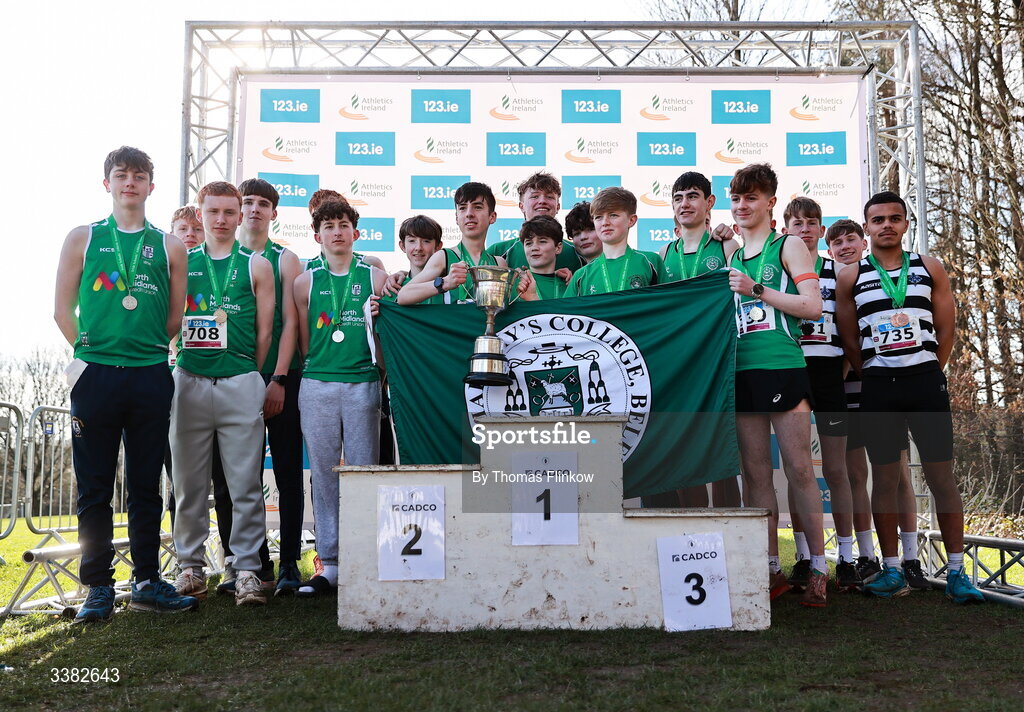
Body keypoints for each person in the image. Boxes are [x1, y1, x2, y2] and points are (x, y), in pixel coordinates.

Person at [54, 146, 198, 622]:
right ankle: (98, 587)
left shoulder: (170, 245)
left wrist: (142, 353)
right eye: (122, 175)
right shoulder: (83, 238)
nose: (130, 183)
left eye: (139, 176)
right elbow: (61, 310)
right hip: (95, 376)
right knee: (93, 486)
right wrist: (92, 355)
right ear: (108, 184)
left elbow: (174, 317)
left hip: (150, 374)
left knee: (145, 485)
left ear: (151, 186)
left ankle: (147, 582)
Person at [835, 191, 984, 603]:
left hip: (925, 383)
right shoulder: (850, 277)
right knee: (884, 479)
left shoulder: (929, 267)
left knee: (941, 477)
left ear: (905, 224)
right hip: (879, 386)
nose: (886, 225)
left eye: (894, 218)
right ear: (866, 228)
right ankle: (892, 570)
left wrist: (930, 370)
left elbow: (946, 329)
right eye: (877, 219)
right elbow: (850, 338)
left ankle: (957, 573)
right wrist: (874, 373)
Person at [726, 163, 827, 607]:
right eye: (737, 199)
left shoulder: (789, 245)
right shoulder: (730, 255)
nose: (743, 206)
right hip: (743, 372)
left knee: (800, 470)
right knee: (755, 475)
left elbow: (813, 307)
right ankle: (769, 569)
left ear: (770, 203)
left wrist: (757, 290)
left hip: (784, 367)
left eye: (751, 198)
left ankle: (820, 569)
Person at [170, 181, 276, 607]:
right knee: (189, 482)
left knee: (245, 483)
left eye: (229, 212)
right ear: (201, 214)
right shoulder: (181, 260)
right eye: (212, 211)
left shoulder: (257, 265)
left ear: (238, 216)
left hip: (239, 380)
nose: (220, 219)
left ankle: (247, 569)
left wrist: (247, 369)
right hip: (190, 380)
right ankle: (190, 567)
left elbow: (265, 331)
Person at [293, 199, 388, 597]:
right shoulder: (304, 281)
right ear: (317, 236)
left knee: (365, 471)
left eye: (343, 224)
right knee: (325, 473)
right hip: (317, 383)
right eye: (328, 225)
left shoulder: (376, 276)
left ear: (356, 233)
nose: (336, 231)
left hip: (363, 381)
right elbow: (301, 339)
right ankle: (330, 563)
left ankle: (367, 556)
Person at [781, 199, 861, 592]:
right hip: (793, 370)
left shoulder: (840, 272)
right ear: (786, 227)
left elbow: (849, 328)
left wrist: (843, 368)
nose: (806, 229)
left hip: (830, 374)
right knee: (799, 471)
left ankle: (846, 558)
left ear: (820, 228)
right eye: (798, 223)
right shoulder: (782, 268)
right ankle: (802, 557)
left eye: (812, 223)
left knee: (836, 469)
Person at [236, 178, 305, 595]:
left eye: (264, 204)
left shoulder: (285, 259)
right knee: (241, 476)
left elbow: (291, 324)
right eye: (248, 202)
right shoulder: (222, 258)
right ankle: (253, 564)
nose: (255, 209)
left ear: (274, 213)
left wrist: (278, 377)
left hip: (281, 377)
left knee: (287, 472)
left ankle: (290, 564)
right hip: (236, 379)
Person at [661, 171, 742, 509]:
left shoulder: (726, 245)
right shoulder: (664, 252)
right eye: (678, 198)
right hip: (680, 365)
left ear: (709, 203)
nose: (685, 204)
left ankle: (728, 533)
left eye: (692, 196)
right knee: (684, 453)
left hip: (717, 361)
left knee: (720, 450)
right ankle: (692, 533)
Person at [398, 182, 532, 304]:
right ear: (457, 217)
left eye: (477, 207)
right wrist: (444, 283)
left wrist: (521, 286)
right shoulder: (444, 257)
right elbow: (403, 296)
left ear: (492, 217)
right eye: (462, 208)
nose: (469, 214)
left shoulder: (498, 263)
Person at [564, 187, 669, 297]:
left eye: (613, 215)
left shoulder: (650, 261)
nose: (605, 222)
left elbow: (669, 305)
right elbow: (564, 312)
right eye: (598, 217)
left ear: (631, 220)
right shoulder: (581, 275)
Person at [486, 172, 583, 272]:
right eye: (535, 196)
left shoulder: (576, 253)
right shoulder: (498, 251)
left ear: (557, 206)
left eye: (549, 197)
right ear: (521, 206)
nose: (542, 201)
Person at [382, 215, 449, 304]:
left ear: (438, 246)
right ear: (402, 246)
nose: (418, 248)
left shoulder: (452, 286)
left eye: (426, 241)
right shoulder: (393, 289)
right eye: (412, 241)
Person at [519, 215, 569, 300]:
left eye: (542, 242)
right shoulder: (517, 283)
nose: (534, 248)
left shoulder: (571, 285)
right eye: (528, 243)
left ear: (558, 248)